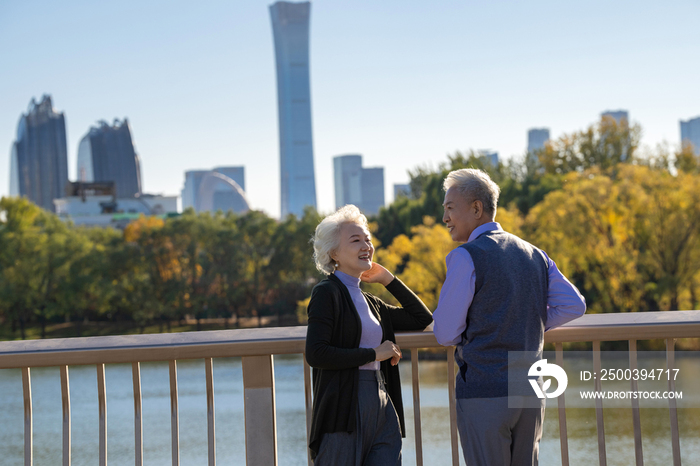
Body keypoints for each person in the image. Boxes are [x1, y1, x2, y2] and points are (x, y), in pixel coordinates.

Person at [433, 168, 586, 466]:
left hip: (484, 387)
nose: (445, 218)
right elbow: (574, 305)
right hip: (528, 384)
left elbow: (446, 333)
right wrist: (530, 321)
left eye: (450, 208)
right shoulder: (535, 254)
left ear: (477, 208)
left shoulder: (466, 256)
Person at [305, 205, 433, 466]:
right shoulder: (326, 293)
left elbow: (422, 318)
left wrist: (388, 279)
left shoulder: (371, 302)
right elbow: (316, 353)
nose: (366, 246)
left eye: (368, 240)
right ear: (334, 253)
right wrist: (375, 354)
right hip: (344, 409)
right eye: (356, 240)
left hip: (382, 403)